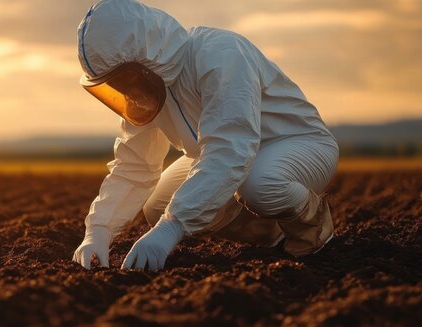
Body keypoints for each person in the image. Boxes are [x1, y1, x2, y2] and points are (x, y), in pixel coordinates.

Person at [72, 0, 339, 271]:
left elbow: (230, 147)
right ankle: (271, 235)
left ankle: (312, 230)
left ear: (142, 56)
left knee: (259, 185)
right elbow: (134, 165)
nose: (120, 88)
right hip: (223, 152)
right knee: (157, 207)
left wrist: (173, 225)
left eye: (120, 78)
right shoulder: (145, 89)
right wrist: (99, 230)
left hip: (296, 142)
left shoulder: (220, 53)